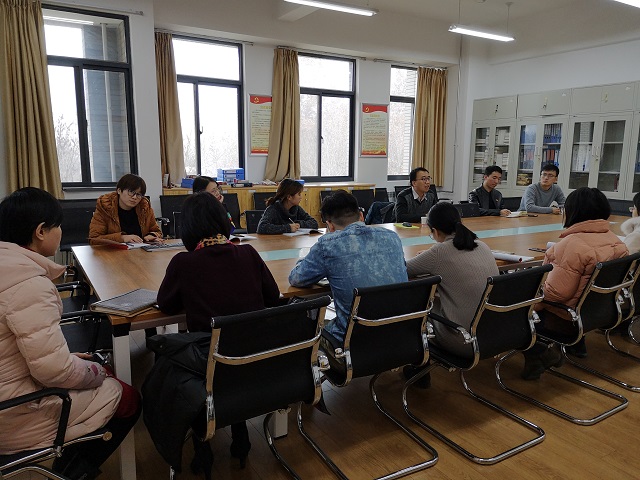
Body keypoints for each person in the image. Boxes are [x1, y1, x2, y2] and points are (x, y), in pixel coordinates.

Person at [0, 187, 140, 480]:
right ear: (41, 231)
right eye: (58, 225)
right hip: (15, 414)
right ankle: (71, 473)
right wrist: (95, 372)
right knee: (128, 397)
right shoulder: (28, 284)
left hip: (10, 391)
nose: (61, 231)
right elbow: (53, 370)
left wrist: (66, 360)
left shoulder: (8, 269)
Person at [156, 192, 281, 468]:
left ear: (187, 228)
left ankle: (202, 447)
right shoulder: (248, 253)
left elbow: (165, 305)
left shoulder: (184, 263)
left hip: (208, 359)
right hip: (254, 355)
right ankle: (240, 434)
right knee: (231, 355)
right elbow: (273, 298)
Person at [521, 187, 628, 380]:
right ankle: (574, 346)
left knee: (512, 311)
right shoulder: (616, 240)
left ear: (573, 211)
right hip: (601, 313)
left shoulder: (572, 244)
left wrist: (526, 302)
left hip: (566, 320)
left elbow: (554, 294)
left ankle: (540, 352)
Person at [289, 190, 408, 342]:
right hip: (401, 332)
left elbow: (297, 278)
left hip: (353, 339)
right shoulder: (392, 237)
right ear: (361, 216)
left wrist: (303, 259)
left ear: (330, 226)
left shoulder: (328, 245)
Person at [404, 202, 498, 387]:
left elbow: (404, 269)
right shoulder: (482, 245)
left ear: (435, 231)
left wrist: (428, 256)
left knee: (418, 306)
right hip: (495, 334)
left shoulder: (439, 252)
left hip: (464, 340)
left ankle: (420, 370)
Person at [89, 173, 163, 245]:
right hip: (114, 252)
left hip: (140, 251)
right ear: (119, 191)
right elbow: (94, 239)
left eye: (139, 194)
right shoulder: (105, 208)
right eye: (131, 192)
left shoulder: (145, 208)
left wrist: (151, 236)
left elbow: (157, 232)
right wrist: (122, 238)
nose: (134, 197)